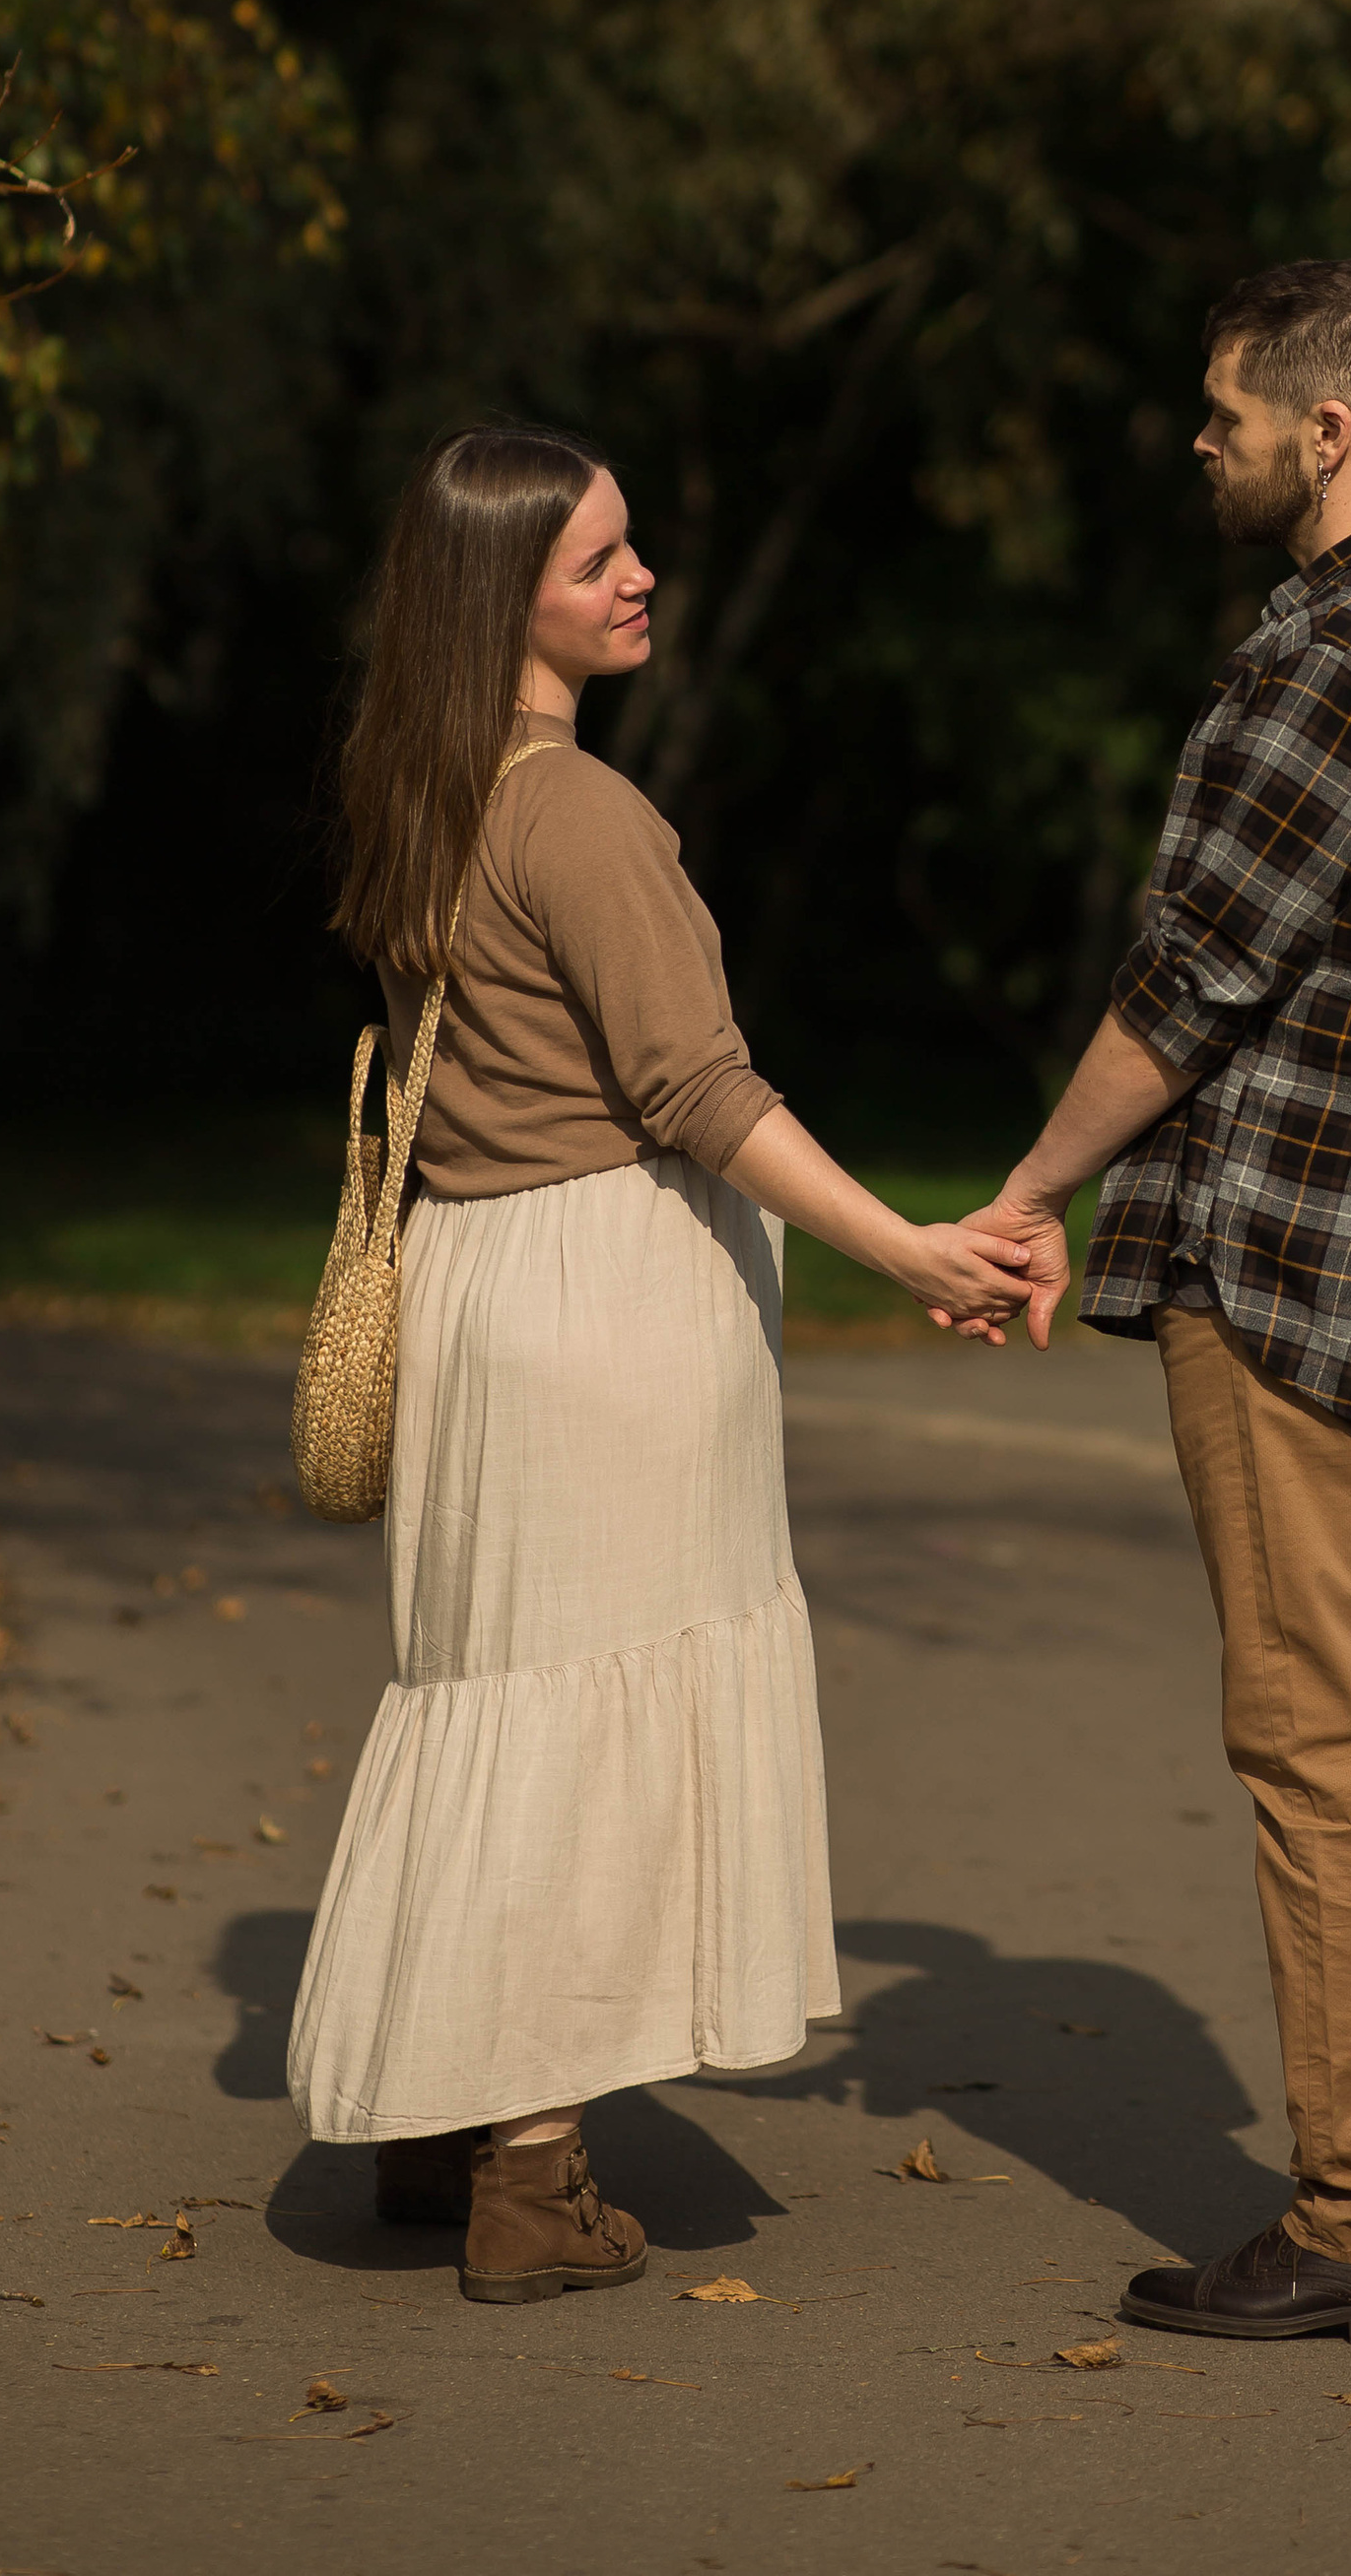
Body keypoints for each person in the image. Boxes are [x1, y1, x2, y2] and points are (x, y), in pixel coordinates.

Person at [287, 424, 1031, 2304]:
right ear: (499, 596)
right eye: (597, 559)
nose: (640, 580)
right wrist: (908, 1249)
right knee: (587, 1737)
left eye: (632, 547)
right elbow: (697, 1092)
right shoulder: (578, 814)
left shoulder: (415, 793)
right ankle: (530, 2178)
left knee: (494, 1699)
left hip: (477, 1295)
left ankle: (442, 2119)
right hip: (607, 1307)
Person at [956, 259, 1351, 2351]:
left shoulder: (1330, 654)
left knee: (1310, 1746)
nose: (1193, 439)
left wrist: (1033, 1189)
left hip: (1290, 1267)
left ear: (1325, 432)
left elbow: (1195, 982)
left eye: (1220, 411)